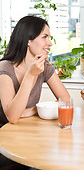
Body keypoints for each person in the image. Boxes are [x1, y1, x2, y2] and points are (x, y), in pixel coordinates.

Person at [0, 15, 70, 169]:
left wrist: (33, 110)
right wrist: (30, 75)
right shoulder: (4, 70)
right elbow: (12, 117)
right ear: (28, 40)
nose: (50, 43)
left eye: (49, 37)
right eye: (44, 37)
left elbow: (65, 99)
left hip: (27, 135)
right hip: (5, 141)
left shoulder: (43, 66)